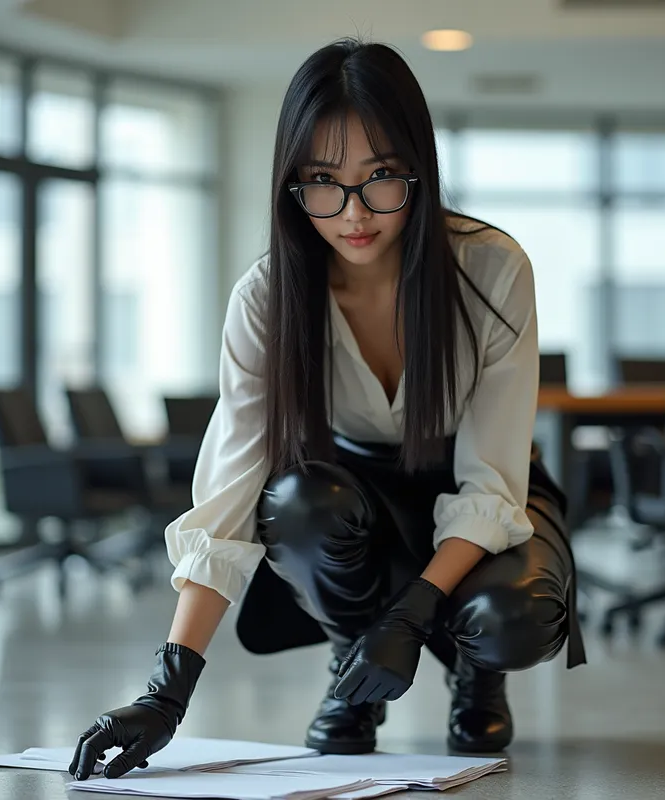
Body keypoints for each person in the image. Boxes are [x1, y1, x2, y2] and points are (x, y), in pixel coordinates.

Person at [69, 37, 585, 782]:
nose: (353, 213)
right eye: (322, 181)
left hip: (488, 493)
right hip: (354, 500)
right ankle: (353, 664)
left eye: (380, 178)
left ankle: (476, 674)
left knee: (514, 620)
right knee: (297, 499)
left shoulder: (491, 269)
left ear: (419, 168)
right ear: (292, 185)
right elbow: (229, 498)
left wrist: (412, 615)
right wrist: (167, 690)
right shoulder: (266, 298)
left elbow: (492, 480)